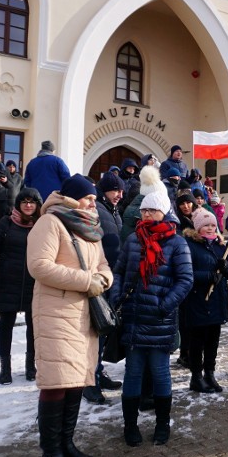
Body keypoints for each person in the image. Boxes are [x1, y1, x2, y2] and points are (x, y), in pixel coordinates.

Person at [26, 173, 113, 457]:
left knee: (76, 379)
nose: (94, 202)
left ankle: (66, 444)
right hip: (56, 310)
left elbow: (102, 264)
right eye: (89, 198)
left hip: (82, 313)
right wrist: (86, 282)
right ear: (73, 197)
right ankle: (50, 455)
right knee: (56, 382)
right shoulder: (50, 222)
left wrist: (103, 280)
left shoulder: (90, 225)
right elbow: (38, 265)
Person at [111, 190, 193, 446]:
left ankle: (161, 424)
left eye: (152, 211)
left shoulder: (177, 243)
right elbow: (119, 271)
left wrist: (163, 306)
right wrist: (117, 297)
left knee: (160, 373)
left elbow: (185, 280)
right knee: (133, 373)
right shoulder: (134, 239)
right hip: (134, 318)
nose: (146, 214)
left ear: (164, 213)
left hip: (159, 320)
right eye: (144, 211)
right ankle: (130, 426)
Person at [0, 187, 43, 385]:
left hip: (33, 282)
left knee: (33, 326)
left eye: (32, 202)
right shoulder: (6, 222)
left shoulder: (42, 225)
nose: (28, 205)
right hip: (7, 280)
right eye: (24, 201)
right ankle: (5, 368)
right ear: (18, 204)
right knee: (5, 325)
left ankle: (29, 366)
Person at [82, 172, 126, 404]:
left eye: (121, 191)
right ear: (104, 190)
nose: (119, 194)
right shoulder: (97, 208)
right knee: (95, 333)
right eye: (115, 190)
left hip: (109, 276)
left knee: (102, 331)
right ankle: (89, 383)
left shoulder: (111, 210)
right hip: (97, 277)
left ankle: (98, 373)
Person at [182, 208, 228, 393]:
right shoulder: (189, 245)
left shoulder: (220, 246)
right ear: (197, 228)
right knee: (198, 341)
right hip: (198, 300)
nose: (211, 228)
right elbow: (185, 273)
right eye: (206, 226)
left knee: (213, 339)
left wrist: (226, 267)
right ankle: (196, 377)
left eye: (213, 225)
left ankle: (209, 374)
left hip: (217, 300)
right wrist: (208, 276)